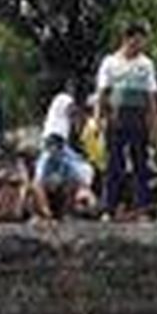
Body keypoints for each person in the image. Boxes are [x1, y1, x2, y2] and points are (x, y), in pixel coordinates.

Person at [97, 22, 157, 219]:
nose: (139, 46)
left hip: (138, 117)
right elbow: (102, 92)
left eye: (142, 42)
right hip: (116, 117)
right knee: (114, 165)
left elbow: (151, 97)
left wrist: (154, 126)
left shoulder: (146, 64)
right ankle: (109, 208)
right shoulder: (110, 62)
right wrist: (99, 118)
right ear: (127, 39)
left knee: (141, 164)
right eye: (136, 41)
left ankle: (141, 208)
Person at [33, 85, 96, 220]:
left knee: (73, 176)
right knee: (41, 180)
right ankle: (47, 211)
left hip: (58, 144)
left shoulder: (58, 111)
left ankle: (63, 211)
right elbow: (73, 113)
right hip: (54, 142)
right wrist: (81, 123)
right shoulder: (64, 99)